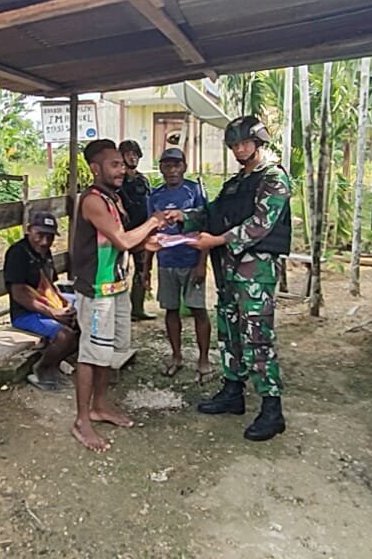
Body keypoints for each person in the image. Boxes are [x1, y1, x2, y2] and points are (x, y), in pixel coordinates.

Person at [176, 117, 292, 442]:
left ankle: (272, 408)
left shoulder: (274, 178)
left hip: (255, 271)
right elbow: (212, 214)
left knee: (257, 334)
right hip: (228, 270)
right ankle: (233, 390)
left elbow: (260, 223)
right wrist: (183, 218)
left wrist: (216, 241)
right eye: (234, 145)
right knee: (228, 330)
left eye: (244, 143)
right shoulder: (235, 182)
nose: (239, 150)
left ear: (259, 142)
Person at [70, 139, 167, 452]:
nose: (122, 169)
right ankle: (82, 420)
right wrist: (153, 222)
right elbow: (122, 240)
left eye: (122, 164)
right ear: (95, 168)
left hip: (117, 287)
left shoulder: (113, 198)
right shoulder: (92, 200)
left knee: (109, 353)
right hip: (97, 291)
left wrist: (146, 243)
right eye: (114, 164)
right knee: (90, 355)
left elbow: (119, 241)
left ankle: (100, 405)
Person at [147, 148, 213, 382]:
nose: (172, 170)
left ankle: (203, 359)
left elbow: (207, 226)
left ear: (184, 166)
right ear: (161, 168)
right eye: (167, 165)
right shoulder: (155, 196)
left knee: (198, 310)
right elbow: (150, 232)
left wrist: (202, 264)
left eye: (176, 165)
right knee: (171, 310)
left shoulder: (195, 191)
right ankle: (176, 356)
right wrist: (146, 269)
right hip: (166, 262)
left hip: (191, 260)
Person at [4, 211, 78, 390]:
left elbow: (50, 286)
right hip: (25, 312)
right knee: (65, 335)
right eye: (40, 235)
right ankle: (42, 370)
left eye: (50, 237)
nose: (44, 242)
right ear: (29, 230)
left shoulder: (44, 252)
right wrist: (53, 313)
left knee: (84, 306)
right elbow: (19, 294)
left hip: (46, 304)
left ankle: (61, 358)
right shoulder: (17, 253)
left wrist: (64, 304)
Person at [117, 139, 156, 321]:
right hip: (121, 235)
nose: (132, 157)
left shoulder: (143, 180)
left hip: (142, 233)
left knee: (142, 271)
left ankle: (137, 308)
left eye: (134, 154)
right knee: (120, 272)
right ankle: (121, 311)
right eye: (128, 154)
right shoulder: (117, 180)